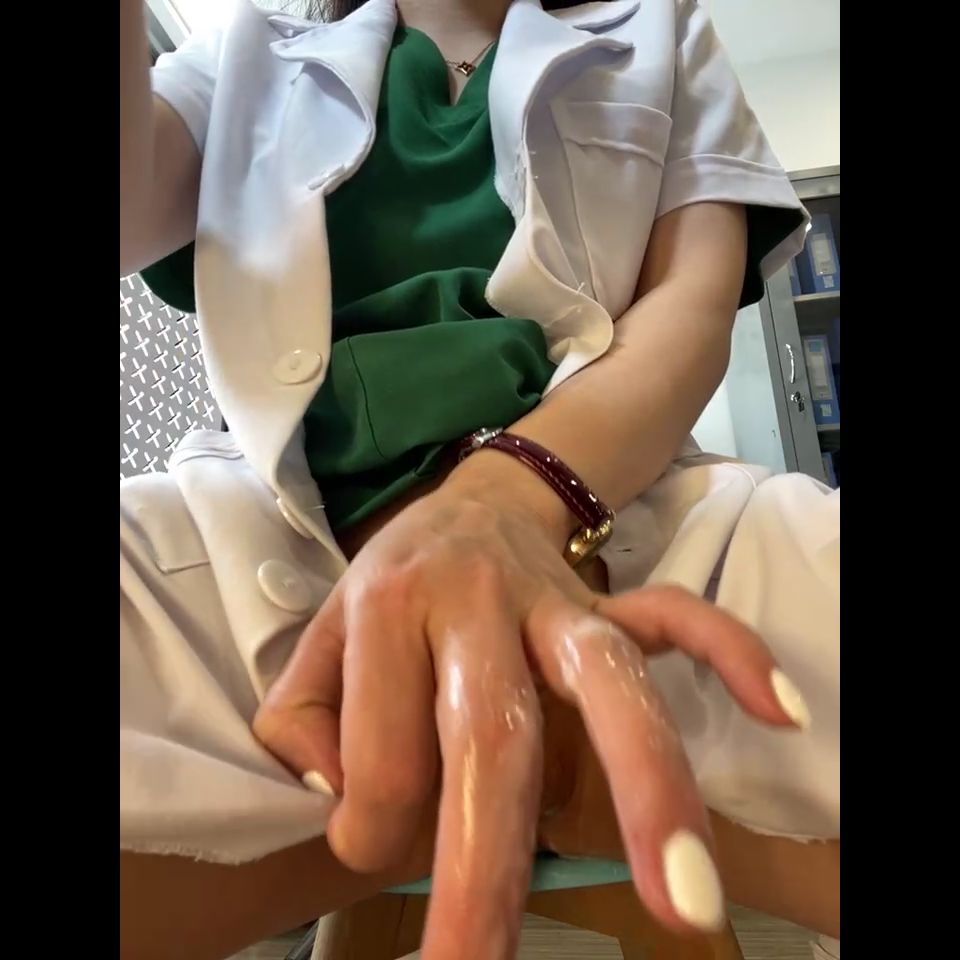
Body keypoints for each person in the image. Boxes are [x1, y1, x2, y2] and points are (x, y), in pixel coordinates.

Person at [119, 0, 840, 957]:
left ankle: (453, 775)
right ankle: (540, 758)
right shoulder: (244, 47)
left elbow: (690, 306)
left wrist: (506, 503)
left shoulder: (662, 24)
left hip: (621, 509)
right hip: (267, 530)